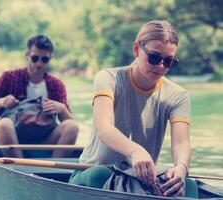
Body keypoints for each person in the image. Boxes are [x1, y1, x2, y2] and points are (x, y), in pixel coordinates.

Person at [69, 20, 197, 197]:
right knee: (101, 175)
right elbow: (104, 128)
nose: (160, 66)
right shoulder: (108, 78)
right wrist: (136, 151)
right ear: (137, 49)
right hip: (93, 173)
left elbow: (181, 143)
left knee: (189, 186)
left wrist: (181, 168)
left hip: (139, 180)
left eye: (168, 61)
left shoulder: (179, 95)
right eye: (154, 58)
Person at [0, 35, 79, 158]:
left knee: (72, 127)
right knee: (4, 124)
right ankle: (18, 171)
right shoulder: (9, 78)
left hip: (44, 140)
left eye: (44, 60)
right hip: (11, 138)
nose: (39, 63)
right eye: (34, 58)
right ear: (27, 55)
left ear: (50, 59)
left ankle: (53, 172)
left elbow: (69, 122)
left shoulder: (56, 84)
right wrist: (1, 102)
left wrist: (62, 109)